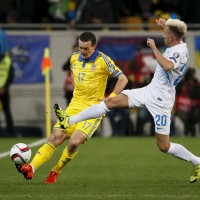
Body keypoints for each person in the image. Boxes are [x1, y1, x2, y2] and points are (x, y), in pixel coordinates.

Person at [55, 18, 200, 183]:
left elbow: (167, 65)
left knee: (164, 146)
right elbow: (174, 36)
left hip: (162, 100)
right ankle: (69, 120)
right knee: (110, 102)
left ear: (172, 38)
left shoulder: (178, 52)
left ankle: (197, 161)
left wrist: (153, 47)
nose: (163, 36)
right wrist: (165, 26)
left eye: (165, 34)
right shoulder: (179, 43)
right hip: (150, 91)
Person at [15, 31, 128, 183]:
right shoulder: (74, 58)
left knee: (73, 142)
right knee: (55, 137)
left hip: (94, 109)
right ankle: (31, 168)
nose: (82, 51)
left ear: (94, 46)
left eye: (86, 48)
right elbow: (75, 77)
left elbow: (123, 79)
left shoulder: (103, 60)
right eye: (80, 48)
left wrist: (111, 98)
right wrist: (78, 91)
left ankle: (56, 170)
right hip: (74, 106)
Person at [0, 28, 15, 137]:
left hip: (4, 90)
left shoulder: (7, 60)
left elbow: (11, 76)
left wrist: (4, 87)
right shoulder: (7, 59)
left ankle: (11, 134)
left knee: (7, 111)